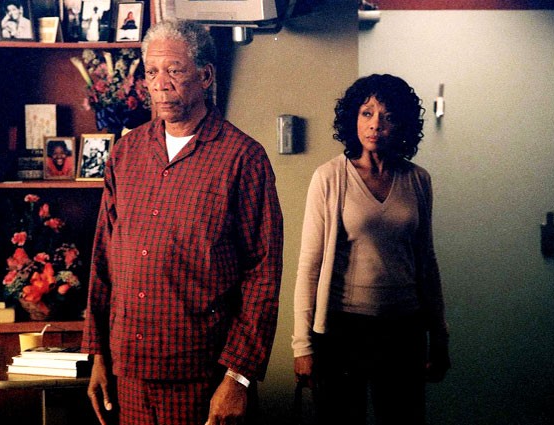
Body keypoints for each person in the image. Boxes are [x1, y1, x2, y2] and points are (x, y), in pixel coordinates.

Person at [81, 19, 284, 425]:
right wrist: (98, 354)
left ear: (205, 76)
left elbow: (263, 275)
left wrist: (238, 378)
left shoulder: (243, 158)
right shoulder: (126, 153)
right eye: (152, 71)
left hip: (202, 375)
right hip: (128, 370)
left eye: (174, 70)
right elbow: (103, 258)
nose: (160, 84)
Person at [292, 74, 450, 425]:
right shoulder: (329, 177)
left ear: (402, 124)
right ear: (354, 117)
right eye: (367, 113)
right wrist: (302, 345)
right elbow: (309, 266)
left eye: (388, 116)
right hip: (343, 328)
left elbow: (427, 262)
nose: (376, 124)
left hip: (405, 328)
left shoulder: (418, 179)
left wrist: (439, 333)